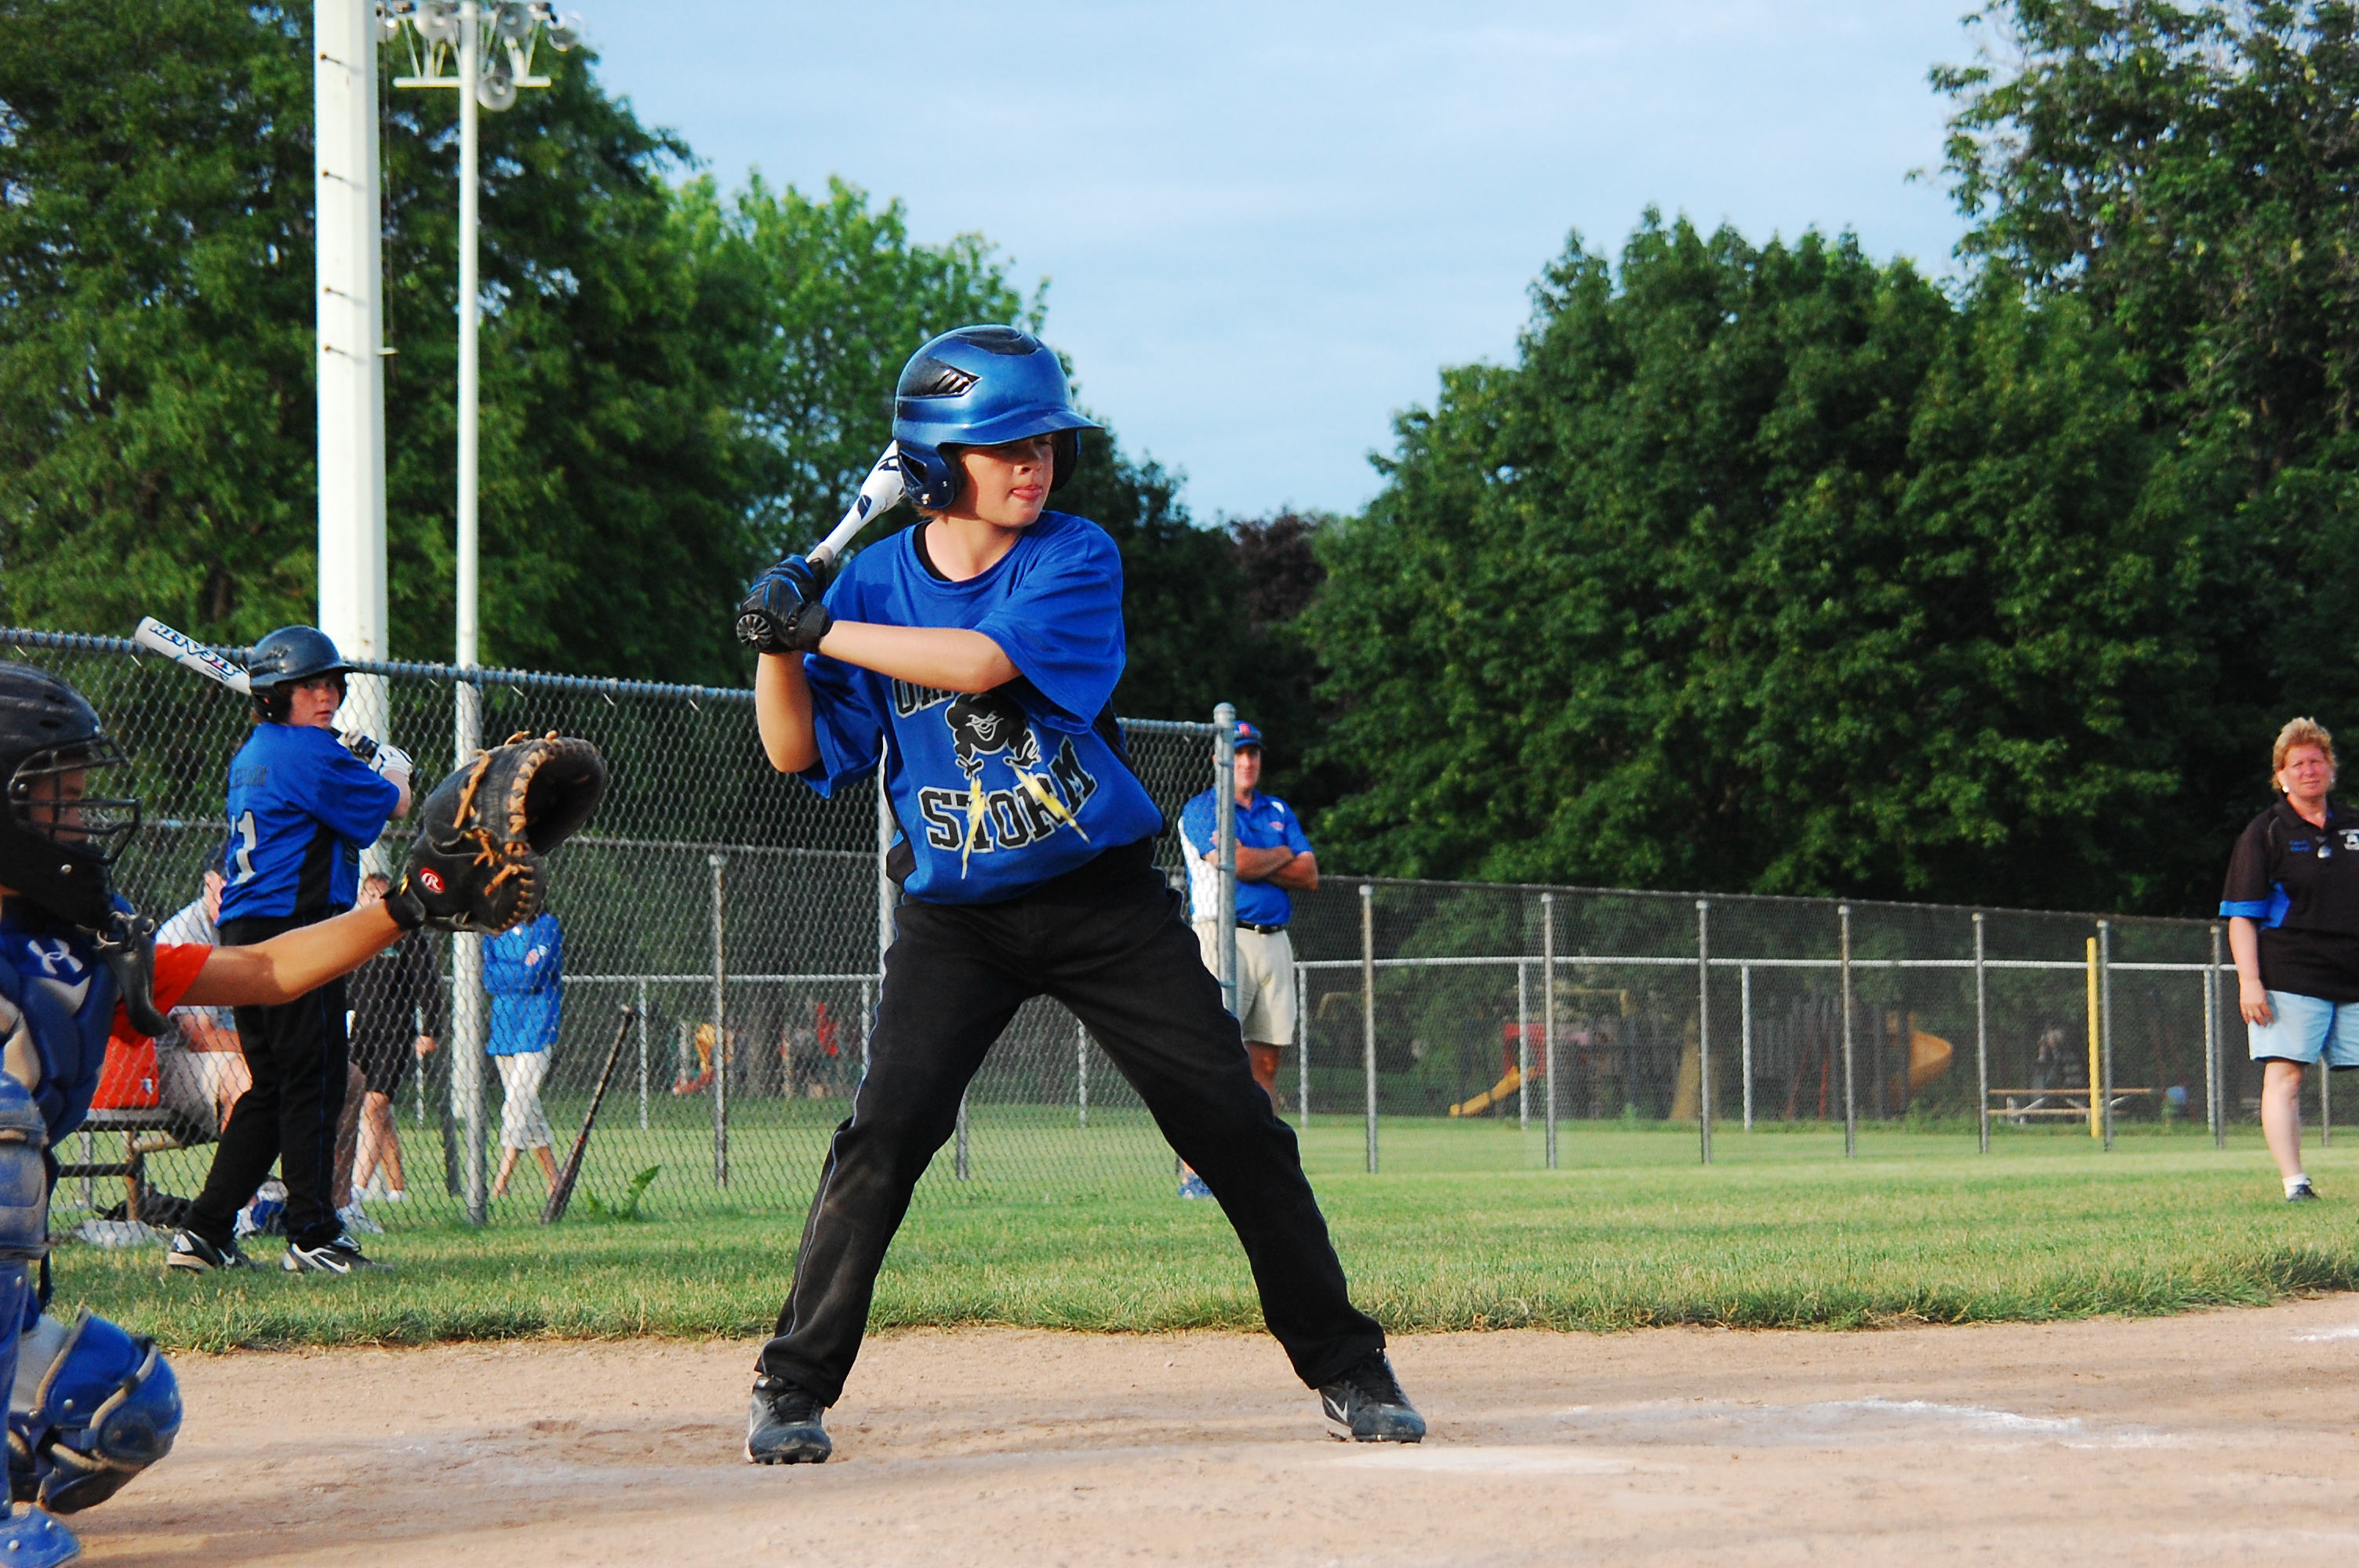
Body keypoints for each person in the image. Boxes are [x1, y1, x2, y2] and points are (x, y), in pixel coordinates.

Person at [734, 325, 1420, 1465]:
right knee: (884, 1134)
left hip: (1103, 902)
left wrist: (822, 625)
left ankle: (1349, 1364)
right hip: (954, 917)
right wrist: (775, 647)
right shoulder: (868, 581)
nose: (1035, 462)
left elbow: (979, 664)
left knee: (1232, 1125)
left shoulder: (1073, 555)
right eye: (1007, 445)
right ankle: (791, 1384)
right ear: (936, 463)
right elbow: (794, 752)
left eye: (1045, 441)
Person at [0, 662, 435, 1563]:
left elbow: (265, 970)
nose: (81, 819)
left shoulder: (78, 935)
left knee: (120, 1406)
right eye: (58, 799)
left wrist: (413, 901)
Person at [169, 626, 413, 1276]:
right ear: (276, 695)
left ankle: (204, 1233)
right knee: (315, 1079)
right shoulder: (309, 751)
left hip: (250, 932)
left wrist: (354, 761)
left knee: (273, 1087)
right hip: (297, 931)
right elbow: (395, 805)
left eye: (332, 684)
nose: (326, 695)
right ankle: (313, 1233)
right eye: (309, 687)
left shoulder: (255, 750)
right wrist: (392, 764)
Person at [2221, 716, 2359, 1202]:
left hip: (2353, 968)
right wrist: (2249, 981)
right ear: (2280, 775)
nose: (2309, 771)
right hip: (2291, 972)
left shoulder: (2353, 825)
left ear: (2331, 768)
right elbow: (2242, 917)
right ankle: (2295, 1183)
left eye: (2317, 761)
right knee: (2287, 1075)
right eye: (2297, 764)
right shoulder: (2266, 832)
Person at [1180, 719, 1316, 1110]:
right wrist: (1283, 853)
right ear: (1218, 758)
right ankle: (1205, 1151)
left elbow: (1309, 875)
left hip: (1273, 938)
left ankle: (1261, 1149)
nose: (1245, 762)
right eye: (1237, 753)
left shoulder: (1277, 809)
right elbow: (1235, 863)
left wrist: (1255, 860)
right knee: (1217, 1053)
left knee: (1267, 1062)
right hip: (1222, 936)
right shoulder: (1203, 808)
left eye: (1252, 753)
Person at [345, 872, 445, 1207]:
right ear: (361, 899)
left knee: (375, 1104)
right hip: (360, 1031)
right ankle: (397, 1188)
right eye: (370, 896)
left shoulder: (407, 935)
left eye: (382, 896)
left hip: (395, 1033)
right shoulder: (353, 934)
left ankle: (357, 1189)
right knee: (375, 1109)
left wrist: (431, 1030)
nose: (375, 903)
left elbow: (428, 984)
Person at [152, 843, 250, 1132]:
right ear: (210, 882)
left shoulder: (251, 924)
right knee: (248, 1078)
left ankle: (327, 1166)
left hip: (238, 1049)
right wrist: (272, 1047)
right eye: (227, 888)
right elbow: (201, 1038)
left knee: (348, 1077)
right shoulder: (186, 934)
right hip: (170, 1062)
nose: (234, 898)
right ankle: (241, 1164)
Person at [484, 909, 562, 1198]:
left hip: (536, 1026)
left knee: (516, 1105)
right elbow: (489, 979)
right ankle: (556, 1180)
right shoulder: (493, 929)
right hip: (504, 1027)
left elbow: (536, 975)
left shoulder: (545, 926)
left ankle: (499, 1183)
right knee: (528, 1109)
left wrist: (508, 972)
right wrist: (521, 968)